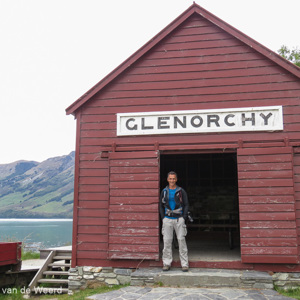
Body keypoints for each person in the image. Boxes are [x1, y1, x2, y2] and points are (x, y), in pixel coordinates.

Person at [159, 171, 189, 272]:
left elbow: (186, 204)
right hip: (167, 219)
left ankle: (184, 264)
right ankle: (166, 263)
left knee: (181, 240)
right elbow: (161, 205)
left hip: (179, 219)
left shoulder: (181, 191)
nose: (172, 180)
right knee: (167, 241)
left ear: (176, 179)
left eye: (174, 179)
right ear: (167, 179)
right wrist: (163, 217)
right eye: (170, 179)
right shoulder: (164, 191)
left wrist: (183, 217)